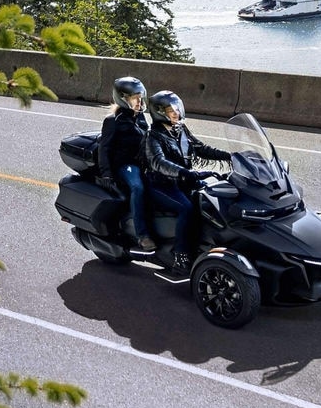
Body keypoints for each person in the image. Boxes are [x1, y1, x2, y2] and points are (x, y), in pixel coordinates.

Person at [144, 90, 229, 271]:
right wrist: (184, 172)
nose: (176, 113)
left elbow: (200, 148)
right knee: (186, 208)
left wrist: (230, 156)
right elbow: (159, 162)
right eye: (170, 110)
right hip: (161, 184)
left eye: (176, 109)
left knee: (210, 197)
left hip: (182, 180)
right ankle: (180, 255)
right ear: (159, 112)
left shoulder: (180, 129)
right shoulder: (153, 136)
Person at [97, 76, 155, 251]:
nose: (139, 101)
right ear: (123, 98)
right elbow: (103, 148)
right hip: (124, 165)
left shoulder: (140, 117)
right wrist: (106, 173)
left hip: (141, 163)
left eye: (140, 97)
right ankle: (142, 235)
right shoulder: (112, 121)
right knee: (137, 187)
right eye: (134, 97)